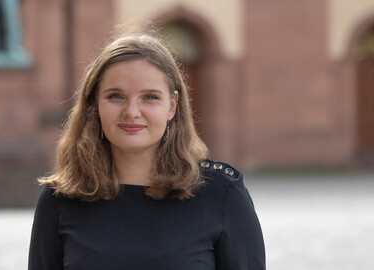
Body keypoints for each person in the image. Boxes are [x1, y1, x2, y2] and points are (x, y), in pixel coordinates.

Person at [28, 33, 265, 270]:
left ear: (172, 105)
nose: (132, 111)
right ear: (94, 104)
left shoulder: (222, 194)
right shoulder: (59, 199)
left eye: (149, 97)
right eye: (116, 96)